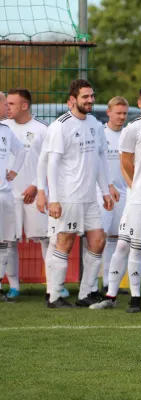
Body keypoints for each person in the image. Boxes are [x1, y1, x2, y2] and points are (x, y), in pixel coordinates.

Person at [91, 78, 141, 312]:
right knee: (128, 245)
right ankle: (120, 296)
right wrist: (138, 187)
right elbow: (126, 163)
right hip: (139, 198)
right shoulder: (134, 128)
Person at [44, 79, 114, 308]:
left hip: (89, 197)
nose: (90, 100)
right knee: (64, 243)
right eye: (85, 97)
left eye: (92, 96)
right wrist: (53, 198)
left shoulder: (94, 123)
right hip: (68, 197)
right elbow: (51, 164)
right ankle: (54, 296)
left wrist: (105, 191)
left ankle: (85, 294)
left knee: (98, 241)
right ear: (73, 100)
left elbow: (100, 160)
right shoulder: (61, 125)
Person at [3, 88, 49, 299]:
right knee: (9, 241)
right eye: (6, 103)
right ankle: (14, 287)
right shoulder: (4, 128)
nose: (7, 107)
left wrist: (35, 185)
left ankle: (53, 285)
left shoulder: (42, 129)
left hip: (34, 194)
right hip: (9, 195)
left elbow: (49, 161)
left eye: (11, 104)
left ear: (24, 106)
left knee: (45, 238)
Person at [98, 97, 130, 294]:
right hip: (103, 193)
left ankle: (112, 282)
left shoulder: (128, 135)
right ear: (108, 112)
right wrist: (105, 187)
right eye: (118, 113)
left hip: (126, 194)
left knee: (120, 240)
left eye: (125, 113)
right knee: (98, 239)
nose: (121, 117)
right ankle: (94, 284)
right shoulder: (101, 134)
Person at [0, 114, 26, 302]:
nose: (7, 108)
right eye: (5, 104)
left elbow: (21, 151)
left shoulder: (6, 131)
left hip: (5, 194)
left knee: (4, 242)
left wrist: (14, 170)